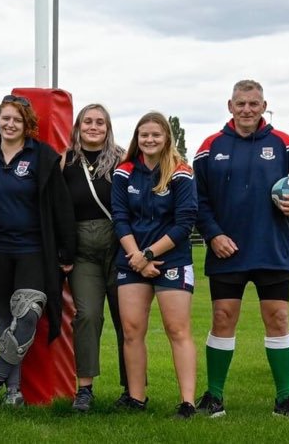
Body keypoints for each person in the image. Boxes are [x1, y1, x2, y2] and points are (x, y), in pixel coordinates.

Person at [192, 80, 289, 420]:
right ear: (230, 105)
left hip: (272, 249)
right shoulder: (210, 147)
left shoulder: (284, 144)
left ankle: (285, 399)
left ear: (264, 105)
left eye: (254, 103)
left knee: (278, 319)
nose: (247, 110)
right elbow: (197, 201)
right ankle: (214, 397)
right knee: (223, 318)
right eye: (241, 103)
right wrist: (213, 235)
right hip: (227, 250)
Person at [0, 95, 75, 407]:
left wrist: (66, 252)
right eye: (5, 118)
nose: (10, 124)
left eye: (17, 120)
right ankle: (13, 390)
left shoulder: (42, 157)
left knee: (28, 315)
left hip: (33, 249)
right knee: (5, 317)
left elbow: (61, 206)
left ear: (27, 125)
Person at [112, 112, 199, 417]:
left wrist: (148, 255)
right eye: (144, 135)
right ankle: (137, 398)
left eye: (156, 135)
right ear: (137, 138)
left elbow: (184, 222)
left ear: (166, 139)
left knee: (177, 329)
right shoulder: (124, 172)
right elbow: (120, 218)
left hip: (171, 259)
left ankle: (188, 403)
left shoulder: (181, 172)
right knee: (132, 330)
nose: (149, 140)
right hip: (132, 260)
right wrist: (137, 257)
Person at [61, 104, 131, 411]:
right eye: (87, 121)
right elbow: (56, 208)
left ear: (108, 127)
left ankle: (132, 388)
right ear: (78, 125)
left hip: (120, 249)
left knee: (127, 320)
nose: (93, 126)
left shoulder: (124, 158)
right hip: (82, 252)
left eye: (100, 122)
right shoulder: (65, 161)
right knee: (88, 316)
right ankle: (85, 389)